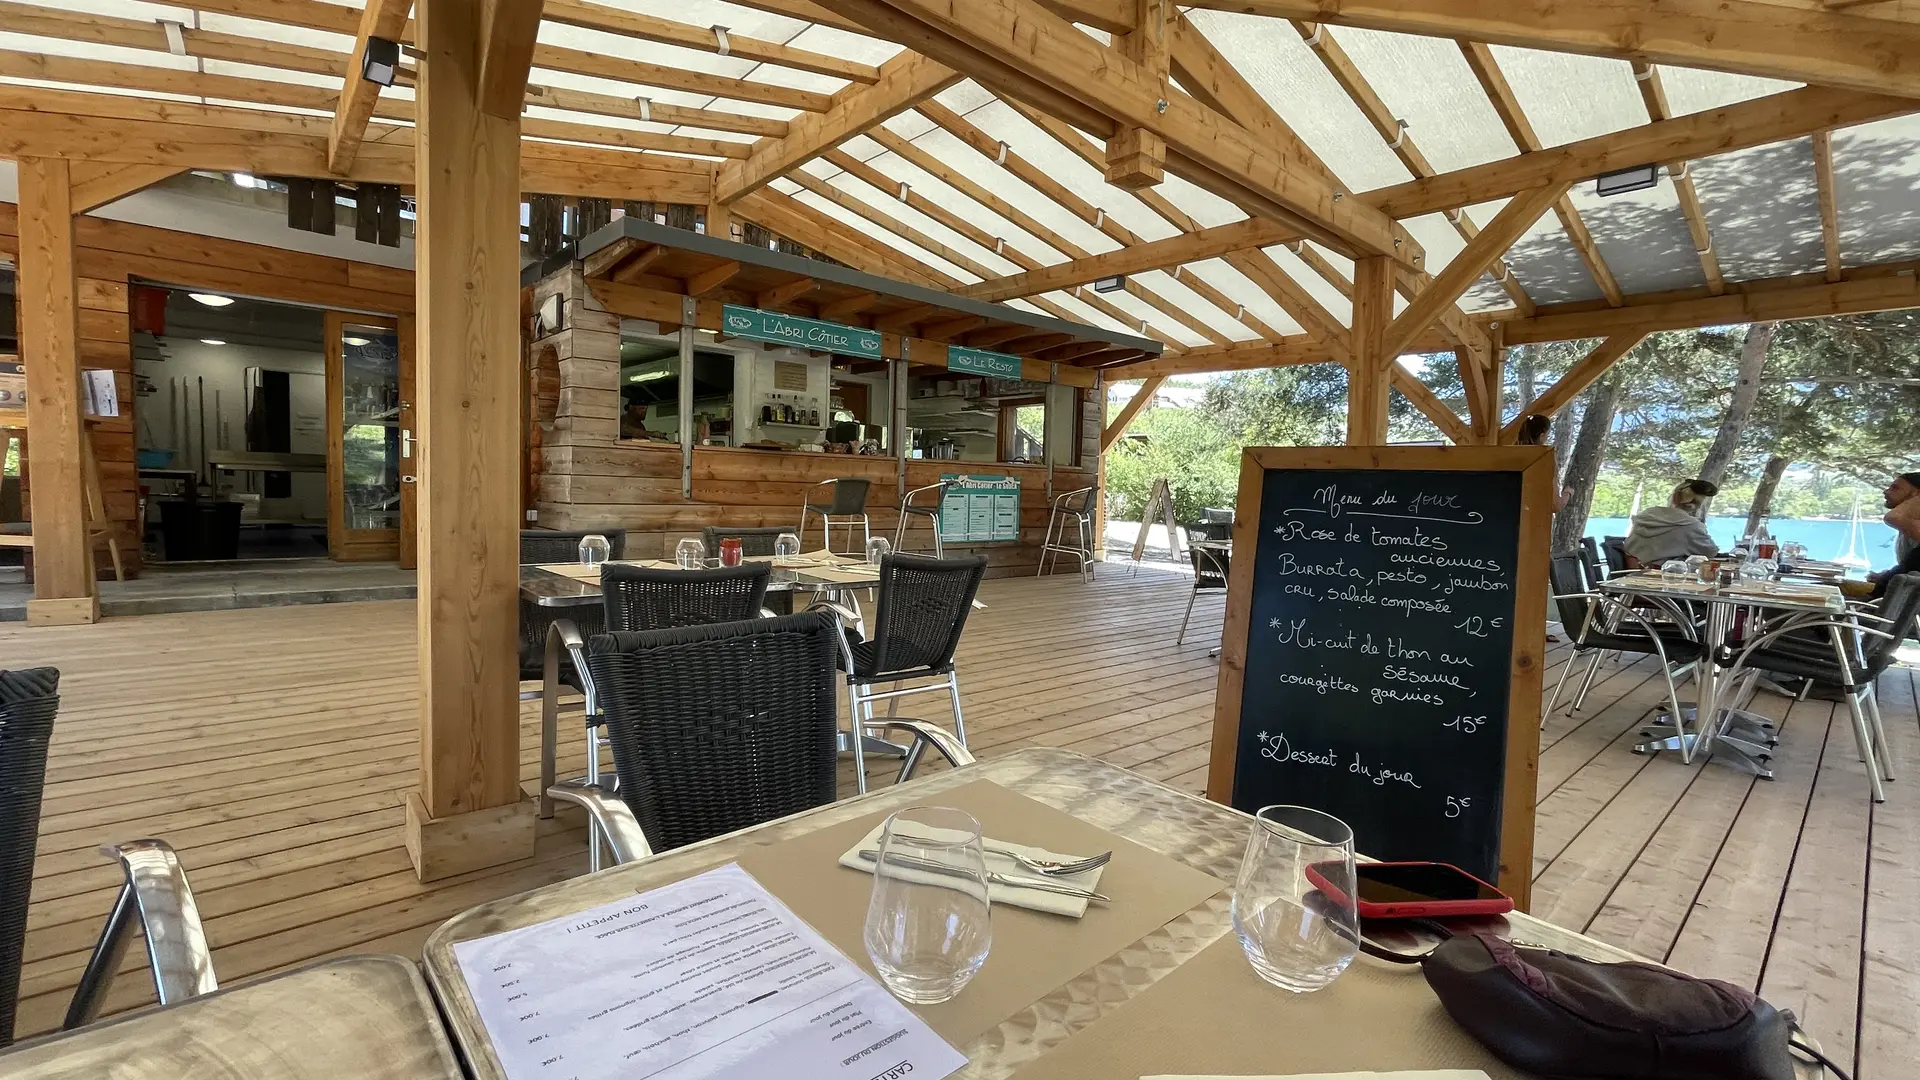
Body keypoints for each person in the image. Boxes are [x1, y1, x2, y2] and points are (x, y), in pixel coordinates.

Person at [1624, 479, 1720, 567]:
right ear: (1698, 505)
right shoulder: (1691, 525)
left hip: (1630, 573)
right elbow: (1710, 552)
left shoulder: (1646, 514)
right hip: (1663, 577)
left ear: (1673, 497)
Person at [1867, 471, 1920, 599]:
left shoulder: (1911, 525)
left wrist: (1917, 499)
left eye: (1895, 488)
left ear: (1916, 494)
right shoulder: (1908, 526)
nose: (1886, 492)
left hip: (1881, 613)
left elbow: (1892, 517)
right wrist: (1886, 575)